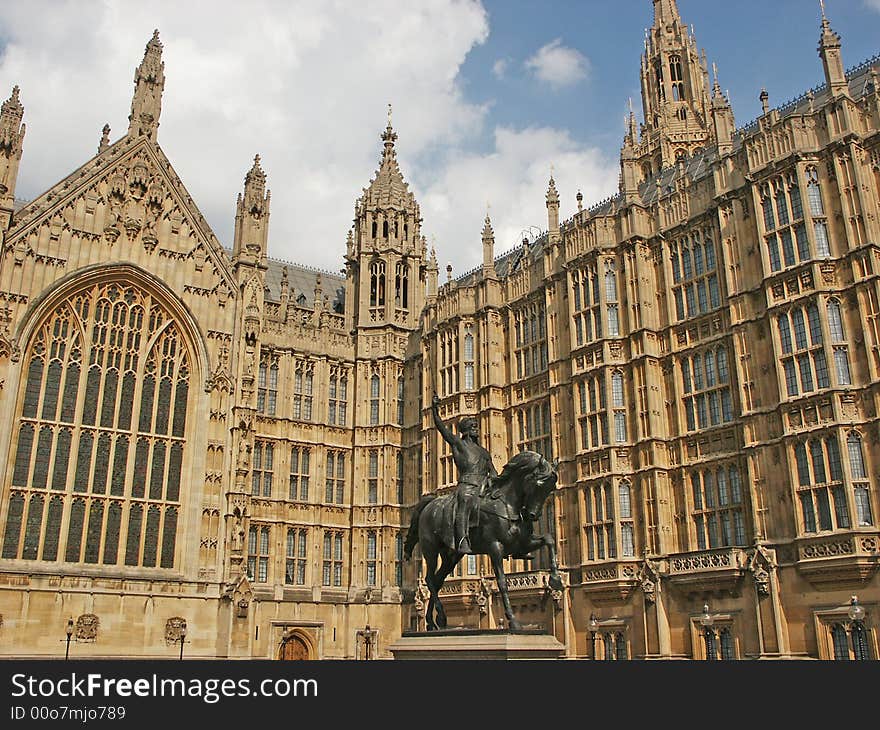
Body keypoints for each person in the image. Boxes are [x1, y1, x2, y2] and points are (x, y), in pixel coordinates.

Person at [431, 393, 498, 554]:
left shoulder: (483, 452)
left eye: (476, 426)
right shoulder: (459, 444)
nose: (476, 430)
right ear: (466, 431)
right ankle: (462, 540)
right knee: (465, 503)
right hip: (467, 486)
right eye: (473, 427)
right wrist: (434, 410)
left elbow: (494, 473)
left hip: (483, 487)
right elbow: (442, 429)